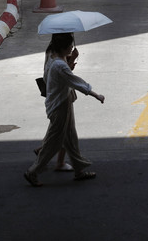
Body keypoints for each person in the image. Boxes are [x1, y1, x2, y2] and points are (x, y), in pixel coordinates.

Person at [24, 33, 105, 187]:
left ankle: (79, 170)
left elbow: (65, 75)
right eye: (69, 46)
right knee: (53, 144)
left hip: (60, 102)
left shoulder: (52, 56)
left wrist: (71, 58)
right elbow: (75, 82)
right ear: (62, 47)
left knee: (70, 138)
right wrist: (96, 95)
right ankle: (33, 172)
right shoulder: (59, 65)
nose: (71, 47)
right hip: (59, 106)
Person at [33, 46, 80, 172]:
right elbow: (65, 74)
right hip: (61, 98)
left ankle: (45, 152)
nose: (70, 47)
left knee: (61, 130)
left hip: (58, 97)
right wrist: (72, 60)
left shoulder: (52, 51)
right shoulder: (57, 59)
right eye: (68, 45)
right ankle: (50, 162)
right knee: (63, 132)